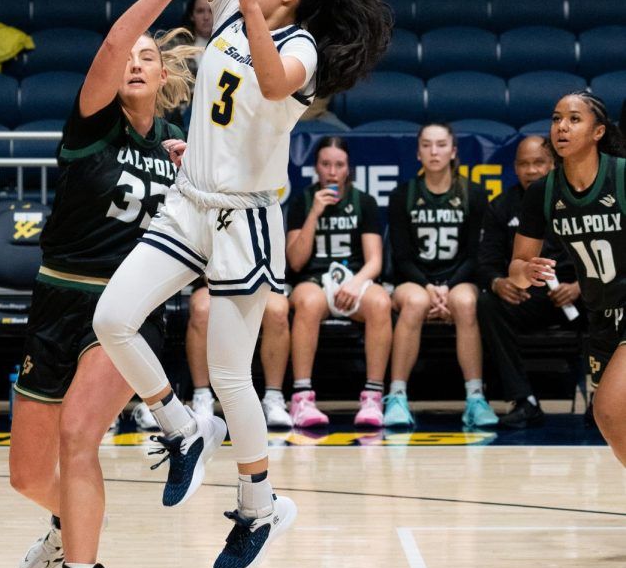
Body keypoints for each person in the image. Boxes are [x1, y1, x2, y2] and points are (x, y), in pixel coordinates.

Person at [93, 0, 392, 568]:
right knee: (114, 318)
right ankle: (176, 427)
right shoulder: (236, 9)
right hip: (191, 203)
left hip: (247, 219)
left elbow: (267, 84)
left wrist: (251, 12)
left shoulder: (300, 50)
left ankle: (260, 507)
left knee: (230, 374)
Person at [9, 0, 200, 568]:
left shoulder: (178, 153)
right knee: (28, 473)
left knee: (79, 437)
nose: (136, 61)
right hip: (55, 298)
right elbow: (117, 41)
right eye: (130, 55)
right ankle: (67, 522)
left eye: (152, 56)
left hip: (123, 314)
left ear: (166, 76)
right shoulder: (93, 125)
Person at [510, 93, 626, 455]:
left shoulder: (621, 177)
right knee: (613, 421)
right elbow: (516, 270)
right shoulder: (543, 193)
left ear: (598, 132)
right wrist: (527, 271)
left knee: (607, 410)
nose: (562, 126)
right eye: (556, 118)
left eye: (574, 119)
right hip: (601, 316)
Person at [386, 123, 492, 431]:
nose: (434, 151)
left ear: (453, 151)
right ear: (418, 153)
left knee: (467, 302)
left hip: (458, 279)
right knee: (416, 302)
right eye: (427, 145)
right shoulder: (402, 195)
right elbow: (402, 257)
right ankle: (396, 396)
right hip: (415, 280)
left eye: (441, 145)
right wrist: (430, 287)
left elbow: (475, 255)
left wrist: (447, 287)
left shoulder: (473, 194)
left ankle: (475, 398)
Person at [477, 135, 582, 430]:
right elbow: (485, 262)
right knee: (487, 302)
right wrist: (499, 283)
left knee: (608, 298)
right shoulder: (501, 206)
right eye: (524, 164)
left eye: (538, 163)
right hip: (527, 297)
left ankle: (601, 399)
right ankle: (524, 400)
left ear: (552, 165)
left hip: (576, 294)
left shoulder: (575, 198)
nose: (532, 170)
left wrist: (579, 288)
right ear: (515, 167)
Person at [286, 136, 391, 429]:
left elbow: (375, 261)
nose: (332, 171)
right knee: (307, 301)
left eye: (339, 165)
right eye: (326, 164)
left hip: (354, 279)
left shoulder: (364, 202)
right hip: (314, 280)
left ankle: (372, 396)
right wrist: (314, 214)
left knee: (381, 302)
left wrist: (357, 284)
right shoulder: (302, 201)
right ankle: (302, 398)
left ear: (348, 169)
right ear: (316, 169)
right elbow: (295, 261)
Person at [168, 281, 292, 431]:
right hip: (215, 282)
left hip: (261, 282)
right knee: (202, 309)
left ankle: (273, 398)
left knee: (277, 311)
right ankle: (202, 396)